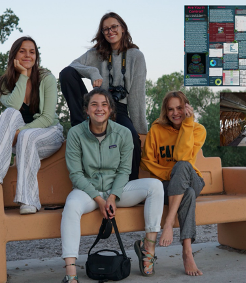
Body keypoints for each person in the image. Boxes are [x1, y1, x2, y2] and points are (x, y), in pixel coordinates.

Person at [61, 88, 163, 283]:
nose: (99, 109)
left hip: (117, 190)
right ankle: (70, 272)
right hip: (88, 191)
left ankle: (147, 250)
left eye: (104, 105)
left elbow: (125, 170)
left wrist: (113, 197)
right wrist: (100, 200)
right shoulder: (76, 133)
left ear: (111, 110)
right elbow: (75, 174)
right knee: (71, 205)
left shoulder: (123, 133)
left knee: (155, 186)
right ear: (87, 110)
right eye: (94, 104)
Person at [0, 36, 64, 215]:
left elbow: (47, 118)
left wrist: (19, 132)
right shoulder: (3, 84)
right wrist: (23, 76)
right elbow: (14, 106)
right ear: (14, 54)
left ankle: (28, 200)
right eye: (22, 51)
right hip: (21, 141)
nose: (27, 55)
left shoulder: (47, 78)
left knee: (25, 136)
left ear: (36, 56)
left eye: (32, 52)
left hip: (49, 134)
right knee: (9, 113)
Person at [59, 12, 147, 181]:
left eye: (114, 26)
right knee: (67, 73)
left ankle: (130, 186)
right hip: (96, 106)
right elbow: (72, 66)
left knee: (132, 138)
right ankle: (81, 125)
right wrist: (93, 72)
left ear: (122, 28)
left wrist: (140, 130)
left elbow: (137, 95)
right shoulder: (96, 53)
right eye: (105, 29)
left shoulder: (136, 56)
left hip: (118, 109)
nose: (110, 31)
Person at [140, 91, 206, 276]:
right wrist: (171, 174)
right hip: (167, 185)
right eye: (171, 109)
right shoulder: (156, 130)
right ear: (165, 111)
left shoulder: (197, 129)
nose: (175, 113)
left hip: (193, 178)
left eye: (179, 108)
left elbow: (182, 157)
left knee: (183, 166)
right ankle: (187, 252)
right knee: (188, 193)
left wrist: (187, 123)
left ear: (187, 107)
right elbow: (146, 162)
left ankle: (168, 223)